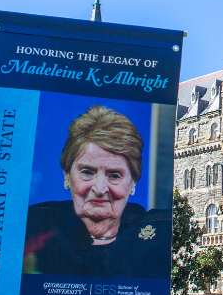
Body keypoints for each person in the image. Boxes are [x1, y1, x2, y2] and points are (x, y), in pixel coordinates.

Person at [22, 106, 171, 277]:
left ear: (133, 183)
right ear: (67, 177)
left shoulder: (161, 234)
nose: (100, 189)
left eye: (114, 175)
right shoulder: (31, 227)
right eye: (87, 172)